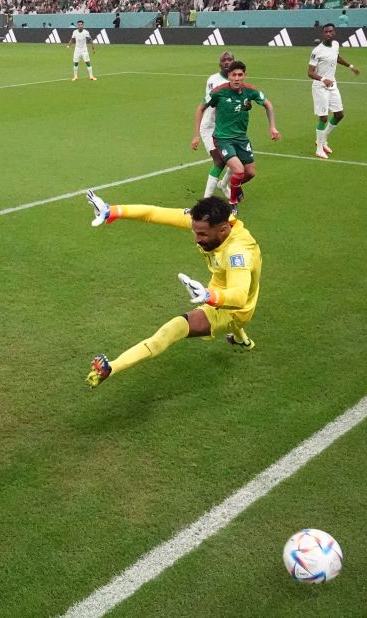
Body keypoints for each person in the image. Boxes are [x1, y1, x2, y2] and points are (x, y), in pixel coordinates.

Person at [84, 193, 260, 388]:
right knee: (223, 313)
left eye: (202, 234)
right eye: (195, 232)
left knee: (173, 329)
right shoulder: (210, 222)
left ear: (223, 230)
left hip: (233, 307)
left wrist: (209, 296)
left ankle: (112, 367)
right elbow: (153, 213)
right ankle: (241, 339)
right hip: (220, 287)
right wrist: (113, 211)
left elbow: (240, 297)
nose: (196, 239)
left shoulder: (238, 253)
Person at [191, 61, 280, 207]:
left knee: (250, 173)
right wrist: (196, 135)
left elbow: (268, 104)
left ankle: (233, 186)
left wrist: (273, 127)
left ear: (245, 76)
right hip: (223, 138)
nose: (237, 78)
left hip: (241, 139)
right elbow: (200, 108)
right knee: (236, 169)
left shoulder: (251, 91)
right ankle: (232, 204)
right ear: (229, 76)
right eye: (234, 75)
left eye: (240, 75)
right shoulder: (218, 92)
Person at [308, 24, 360, 160]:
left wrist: (351, 66)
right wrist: (323, 79)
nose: (328, 34)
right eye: (326, 32)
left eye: (330, 32)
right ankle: (319, 149)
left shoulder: (336, 44)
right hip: (320, 86)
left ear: (334, 33)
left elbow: (336, 57)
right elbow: (310, 72)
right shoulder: (317, 51)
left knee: (339, 114)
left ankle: (323, 138)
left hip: (333, 85)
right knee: (323, 117)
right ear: (323, 34)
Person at [197, 51, 234, 199]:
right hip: (210, 125)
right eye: (224, 60)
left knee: (236, 158)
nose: (226, 62)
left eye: (229, 59)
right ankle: (207, 200)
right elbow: (213, 100)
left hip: (227, 126)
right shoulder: (213, 80)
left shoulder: (236, 80)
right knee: (219, 160)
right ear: (220, 64)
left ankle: (223, 184)